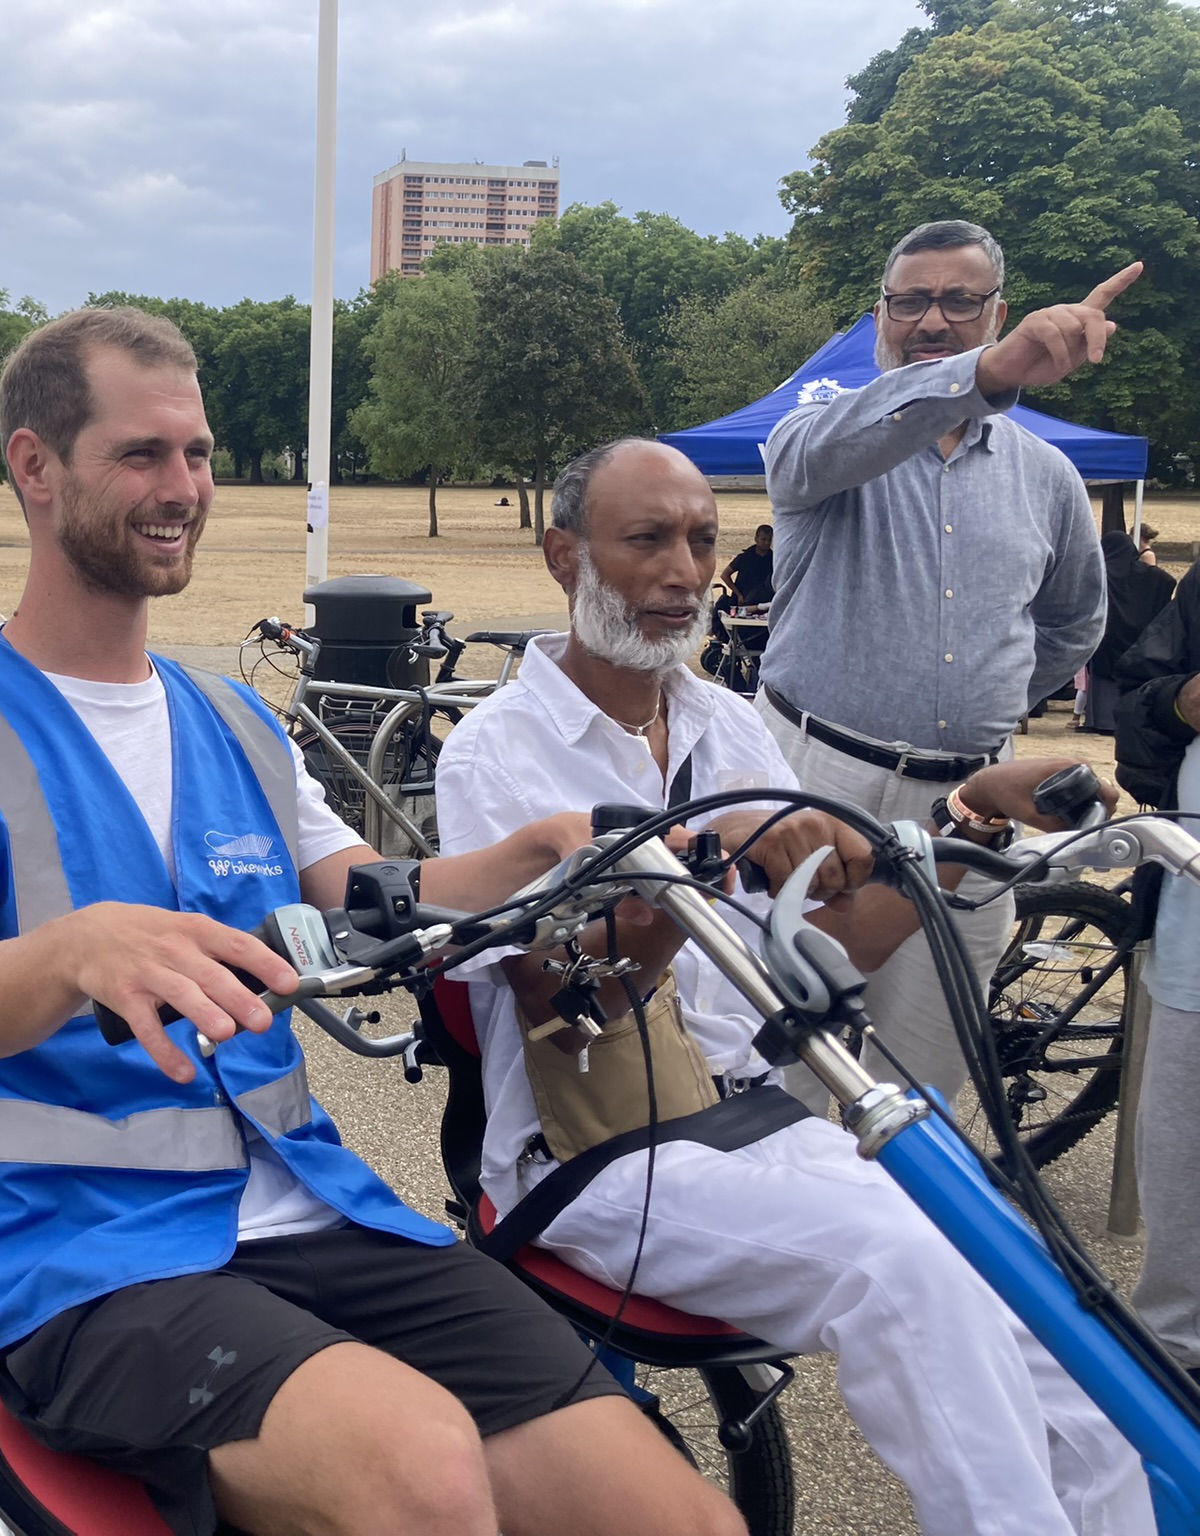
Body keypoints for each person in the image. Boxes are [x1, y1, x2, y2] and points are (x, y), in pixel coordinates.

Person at [0, 307, 745, 1536]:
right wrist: (74, 947)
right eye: (141, 454)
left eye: (197, 454)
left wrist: (543, 852)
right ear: (35, 467)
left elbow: (377, 900)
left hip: (310, 1205)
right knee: (418, 1468)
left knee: (672, 1516)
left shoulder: (238, 723)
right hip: (71, 1249)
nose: (183, 488)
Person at [436, 437, 1148, 1535]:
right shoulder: (498, 751)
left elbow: (826, 943)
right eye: (646, 541)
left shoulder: (728, 723)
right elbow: (563, 1006)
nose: (682, 572)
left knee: (1020, 1269)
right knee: (901, 1263)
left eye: (701, 541)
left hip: (747, 1120)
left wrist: (965, 828)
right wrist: (680, 869)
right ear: (561, 555)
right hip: (596, 1153)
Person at [757, 218, 1128, 1108]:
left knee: (924, 1081)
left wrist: (975, 701)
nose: (932, 320)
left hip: (973, 805)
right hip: (819, 782)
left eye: (959, 302)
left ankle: (895, 1245)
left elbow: (1075, 623)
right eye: (909, 300)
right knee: (779, 1063)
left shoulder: (1047, 476)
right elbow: (815, 452)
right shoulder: (826, 441)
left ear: (996, 309)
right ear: (880, 315)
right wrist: (987, 378)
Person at [1113, 568, 1200, 1383]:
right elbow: (1133, 712)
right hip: (1194, 924)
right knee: (1182, 1138)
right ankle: (1176, 1359)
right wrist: (1181, 704)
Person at [1077, 529, 1174, 733]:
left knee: (1101, 681)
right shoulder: (1141, 574)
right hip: (1133, 637)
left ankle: (1099, 720)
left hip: (1106, 635)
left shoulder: (1102, 574)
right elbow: (1167, 581)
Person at [720, 523, 774, 605]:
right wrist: (738, 594)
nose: (767, 543)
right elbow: (725, 575)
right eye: (763, 539)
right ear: (756, 539)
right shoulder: (744, 558)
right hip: (743, 601)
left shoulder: (774, 559)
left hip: (766, 603)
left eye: (769, 540)